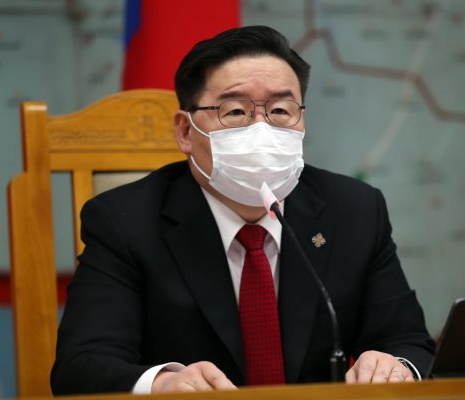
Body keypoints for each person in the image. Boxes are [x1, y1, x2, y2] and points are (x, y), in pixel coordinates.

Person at [51, 25, 435, 395]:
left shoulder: (354, 210)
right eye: (235, 111)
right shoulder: (125, 222)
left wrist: (395, 365)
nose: (261, 129)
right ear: (185, 132)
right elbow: (81, 366)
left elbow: (409, 342)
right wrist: (162, 383)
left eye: (281, 110)